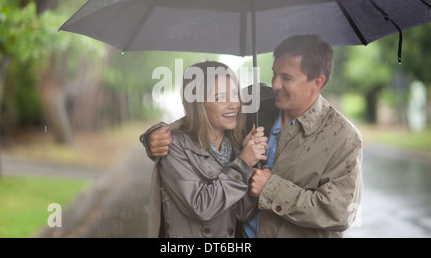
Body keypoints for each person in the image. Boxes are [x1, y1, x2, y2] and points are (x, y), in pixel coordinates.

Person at [142, 35, 363, 238]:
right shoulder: (257, 103)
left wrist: (272, 189)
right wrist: (155, 135)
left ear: (317, 82)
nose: (275, 84)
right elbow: (201, 116)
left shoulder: (343, 137)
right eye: (274, 73)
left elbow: (341, 212)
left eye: (286, 77)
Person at [146, 61, 268, 238]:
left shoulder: (236, 146)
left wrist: (254, 166)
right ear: (198, 104)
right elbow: (201, 206)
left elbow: (243, 213)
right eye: (219, 97)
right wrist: (242, 165)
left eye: (234, 94)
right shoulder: (174, 147)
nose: (233, 104)